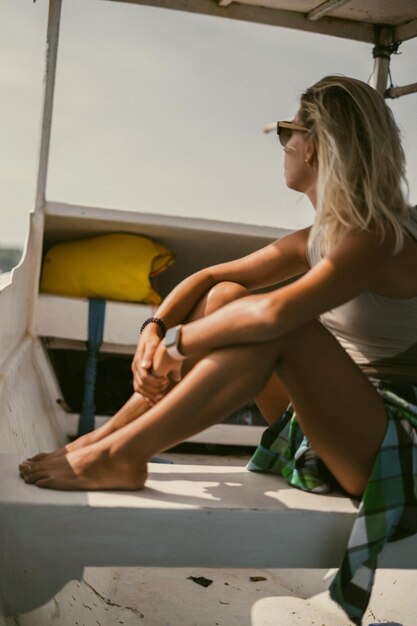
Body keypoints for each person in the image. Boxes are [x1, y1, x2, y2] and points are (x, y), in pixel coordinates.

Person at [19, 75, 417, 624]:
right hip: (329, 424)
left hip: (392, 446)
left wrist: (182, 343)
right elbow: (210, 279)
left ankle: (123, 456)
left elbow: (278, 315)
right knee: (231, 296)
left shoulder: (378, 236)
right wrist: (155, 329)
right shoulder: (324, 234)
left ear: (318, 144)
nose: (281, 147)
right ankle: (106, 440)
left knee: (283, 327)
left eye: (286, 133)